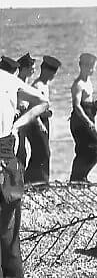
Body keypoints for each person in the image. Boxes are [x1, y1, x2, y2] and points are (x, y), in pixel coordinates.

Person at [1, 60, 50, 277]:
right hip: (5, 154)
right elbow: (42, 101)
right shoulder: (9, 79)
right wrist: (17, 124)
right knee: (9, 237)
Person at [26, 55, 60, 184]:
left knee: (44, 152)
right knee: (42, 152)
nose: (53, 76)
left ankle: (42, 180)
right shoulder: (37, 86)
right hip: (36, 122)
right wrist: (40, 123)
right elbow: (31, 109)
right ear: (45, 70)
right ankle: (32, 180)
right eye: (52, 73)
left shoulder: (46, 85)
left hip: (44, 120)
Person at [69, 53, 97, 182]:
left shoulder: (88, 81)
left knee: (84, 149)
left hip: (87, 117)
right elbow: (77, 106)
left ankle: (80, 177)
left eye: (93, 67)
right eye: (90, 67)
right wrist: (88, 121)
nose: (93, 70)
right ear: (82, 66)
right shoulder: (78, 84)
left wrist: (94, 107)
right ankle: (77, 177)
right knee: (96, 146)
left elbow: (87, 101)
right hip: (80, 120)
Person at [14, 53, 37, 170]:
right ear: (23, 69)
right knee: (19, 149)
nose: (33, 71)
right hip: (17, 119)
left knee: (24, 148)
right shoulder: (17, 83)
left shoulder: (25, 82)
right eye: (31, 68)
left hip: (24, 118)